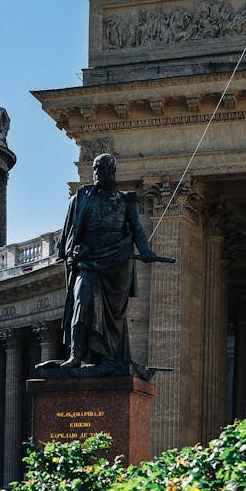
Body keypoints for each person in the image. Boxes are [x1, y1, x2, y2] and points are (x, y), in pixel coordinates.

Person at [46, 152, 167, 373]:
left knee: (113, 318)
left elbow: (138, 230)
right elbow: (69, 238)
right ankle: (75, 355)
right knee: (81, 305)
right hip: (88, 263)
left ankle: (108, 356)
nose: (95, 174)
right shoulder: (82, 198)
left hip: (116, 264)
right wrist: (76, 249)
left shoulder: (124, 200)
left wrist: (146, 251)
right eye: (94, 169)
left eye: (100, 169)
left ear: (112, 171)